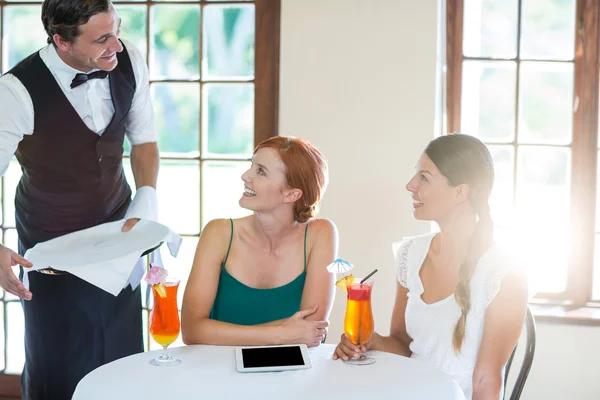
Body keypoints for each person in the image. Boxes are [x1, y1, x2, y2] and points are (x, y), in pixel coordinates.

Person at [0, 1, 159, 398]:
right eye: (101, 39)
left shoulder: (128, 60)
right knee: (58, 365)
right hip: (52, 247)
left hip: (120, 236)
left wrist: (147, 199)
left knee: (121, 361)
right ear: (61, 41)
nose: (116, 46)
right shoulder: (15, 92)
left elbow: (145, 142)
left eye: (117, 31)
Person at [333, 134, 528, 400]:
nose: (410, 185)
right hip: (407, 391)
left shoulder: (504, 274)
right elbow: (403, 343)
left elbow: (485, 382)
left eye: (424, 177)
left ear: (461, 191)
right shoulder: (411, 254)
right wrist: (371, 340)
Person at [182, 136, 337, 347]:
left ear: (291, 194)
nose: (245, 176)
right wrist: (281, 335)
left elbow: (310, 330)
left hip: (292, 373)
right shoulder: (219, 233)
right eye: (251, 166)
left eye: (261, 171)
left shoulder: (321, 234)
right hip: (219, 370)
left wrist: (219, 332)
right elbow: (192, 331)